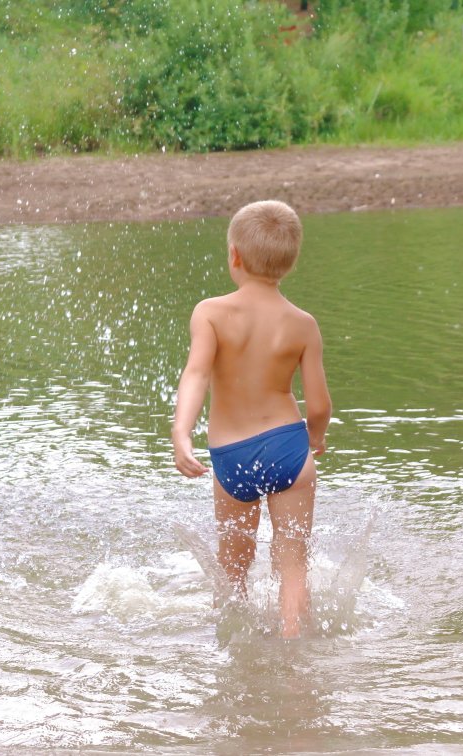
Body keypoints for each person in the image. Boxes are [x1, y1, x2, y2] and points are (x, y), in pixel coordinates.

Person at [171, 200, 331, 639]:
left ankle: (234, 642)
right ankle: (294, 645)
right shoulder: (302, 324)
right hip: (288, 448)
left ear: (234, 256)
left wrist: (181, 433)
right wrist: (315, 438)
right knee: (293, 561)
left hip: (231, 454)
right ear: (291, 262)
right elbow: (318, 404)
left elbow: (197, 374)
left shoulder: (211, 313)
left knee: (234, 562)